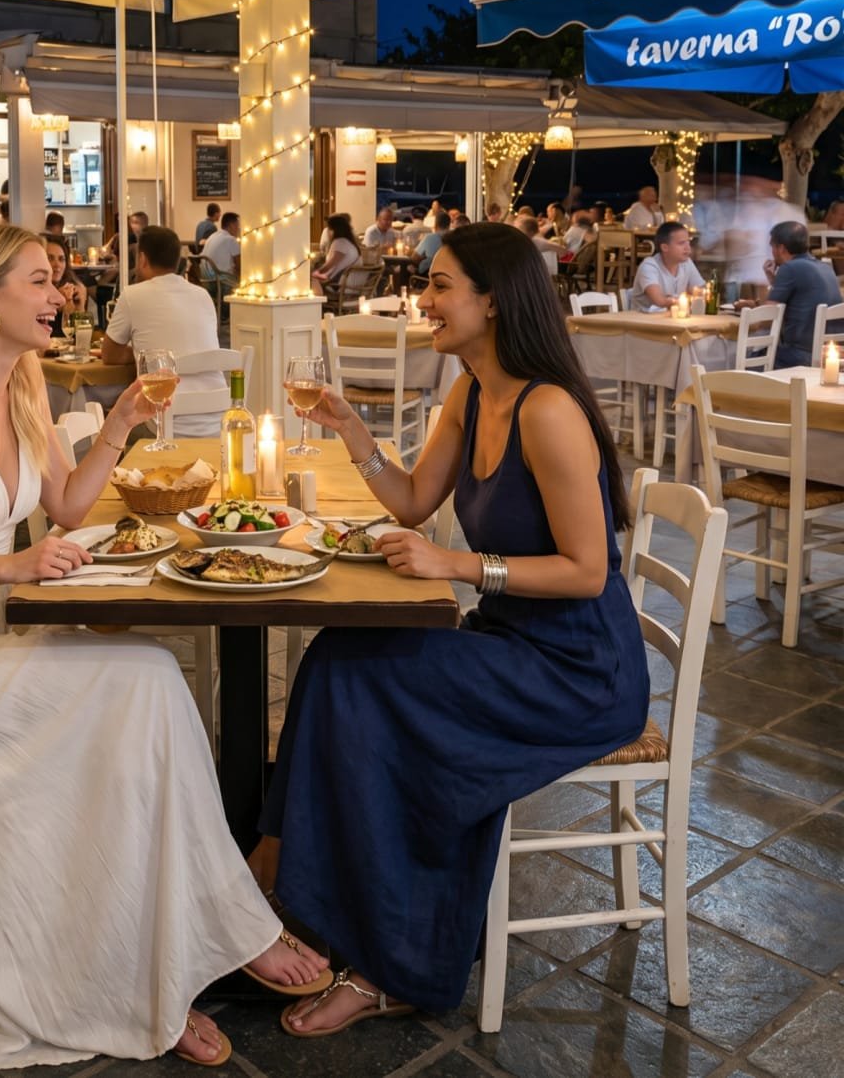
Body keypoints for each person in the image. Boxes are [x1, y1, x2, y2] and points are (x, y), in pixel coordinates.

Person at [0, 223, 328, 1070]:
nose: (60, 295)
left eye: (57, 279)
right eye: (39, 281)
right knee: (140, 681)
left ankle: (186, 947)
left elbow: (70, 508)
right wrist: (11, 562)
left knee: (141, 692)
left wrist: (123, 422)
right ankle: (183, 951)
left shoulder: (24, 388)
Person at [251, 223, 647, 1034]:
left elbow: (588, 573)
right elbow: (410, 502)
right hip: (509, 641)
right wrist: (351, 428)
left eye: (439, 286)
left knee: (378, 697)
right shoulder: (470, 389)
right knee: (338, 656)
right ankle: (282, 865)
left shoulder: (549, 412)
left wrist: (461, 568)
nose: (422, 299)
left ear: (493, 300)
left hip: (578, 672)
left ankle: (389, 964)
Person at [101, 226, 227, 436]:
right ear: (177, 260)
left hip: (163, 421)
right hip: (217, 420)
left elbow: (109, 355)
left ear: (142, 259)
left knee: (111, 421)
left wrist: (145, 357)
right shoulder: (203, 295)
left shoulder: (132, 295)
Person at [736, 220, 840, 367]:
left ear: (781, 248)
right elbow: (798, 299)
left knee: (748, 360)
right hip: (829, 355)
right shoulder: (826, 267)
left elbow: (768, 318)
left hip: (800, 356)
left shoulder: (790, 268)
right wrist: (774, 281)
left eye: (772, 247)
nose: (771, 252)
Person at [630, 221, 705, 311]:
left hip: (674, 320)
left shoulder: (686, 263)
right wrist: (687, 299)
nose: (688, 247)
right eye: (681, 243)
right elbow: (660, 301)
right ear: (665, 247)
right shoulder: (649, 266)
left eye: (688, 242)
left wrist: (699, 295)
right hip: (644, 322)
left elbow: (701, 291)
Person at [43, 234, 88, 335]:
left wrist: (79, 308)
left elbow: (80, 337)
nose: (57, 265)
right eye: (50, 258)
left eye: (61, 259)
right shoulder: (34, 291)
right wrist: (54, 304)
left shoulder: (75, 289)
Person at [312, 214, 362, 287]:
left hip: (340, 284)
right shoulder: (349, 242)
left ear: (334, 230)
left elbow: (330, 264)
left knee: (308, 281)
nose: (327, 232)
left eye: (328, 228)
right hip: (351, 283)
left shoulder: (340, 242)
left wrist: (316, 272)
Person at [201, 211, 241, 283]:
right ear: (231, 225)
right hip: (221, 281)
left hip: (205, 280)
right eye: (237, 225)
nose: (239, 229)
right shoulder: (231, 239)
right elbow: (240, 266)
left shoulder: (212, 236)